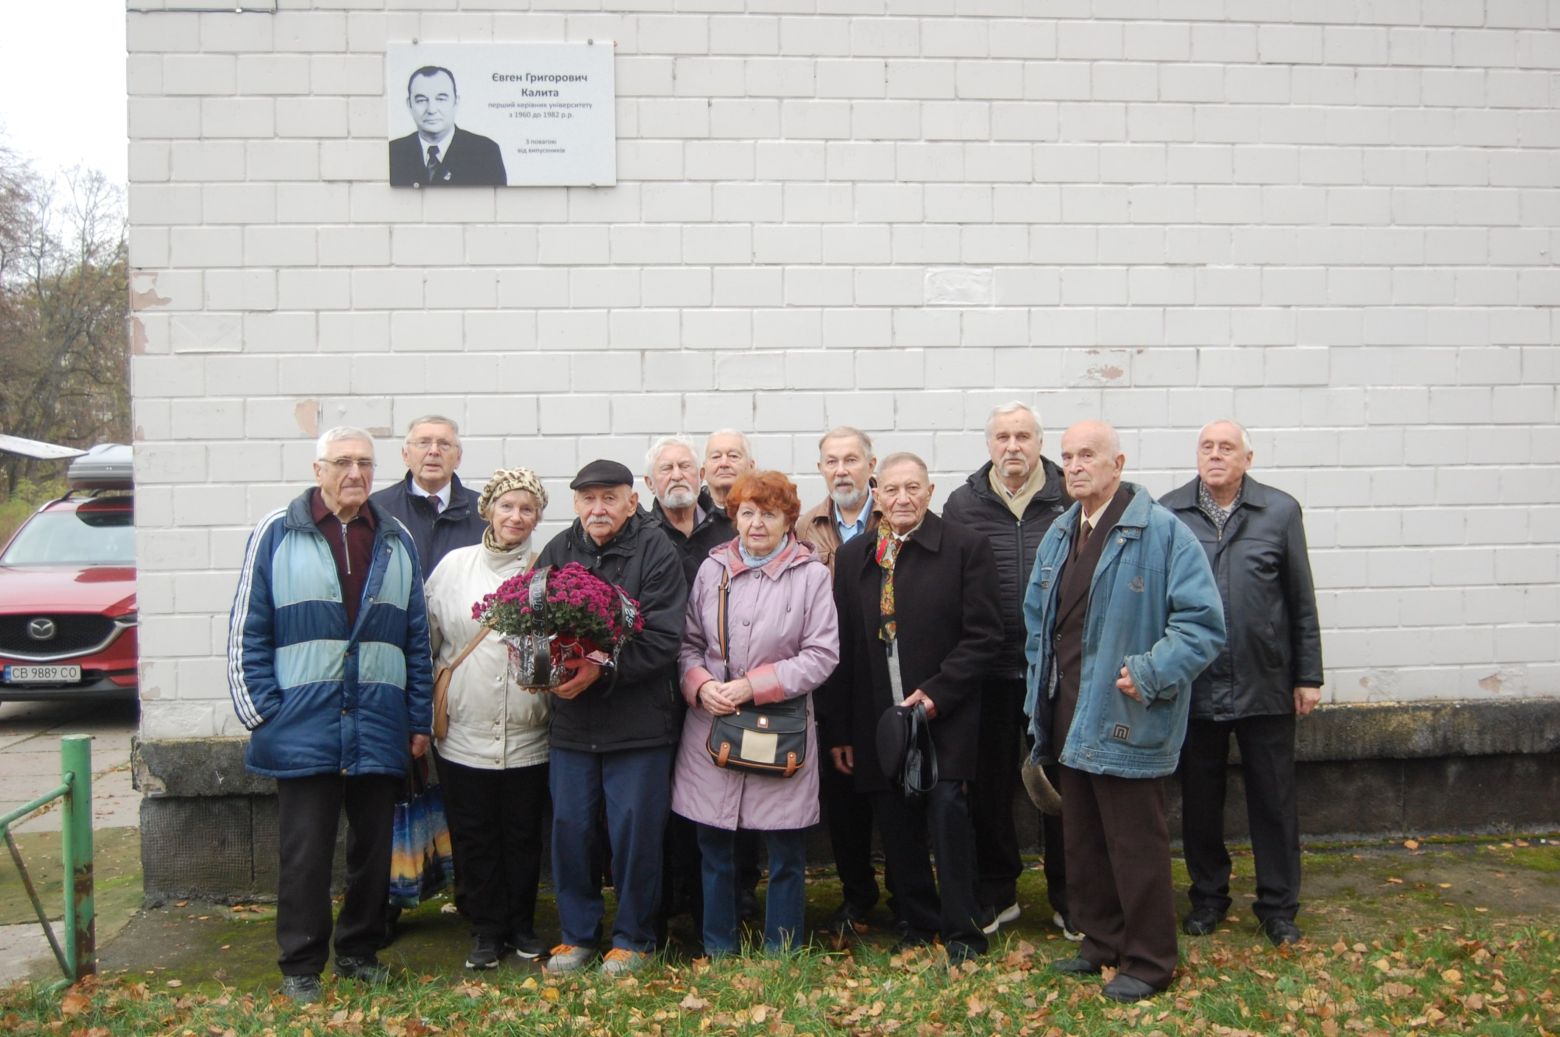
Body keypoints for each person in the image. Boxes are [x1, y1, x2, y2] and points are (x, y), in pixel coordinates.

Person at [226, 426, 432, 1004]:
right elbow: (249, 627)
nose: (355, 474)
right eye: (342, 462)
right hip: (303, 726)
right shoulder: (278, 532)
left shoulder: (396, 539)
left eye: (365, 463)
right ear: (318, 469)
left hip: (378, 725)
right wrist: (265, 712)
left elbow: (416, 638)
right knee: (305, 854)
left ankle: (360, 951)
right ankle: (301, 965)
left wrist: (418, 720)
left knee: (373, 852)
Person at [1022, 421, 1225, 1003]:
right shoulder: (1063, 532)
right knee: (1083, 836)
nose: (1076, 465)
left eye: (1088, 455)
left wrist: (1151, 672)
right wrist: (1038, 692)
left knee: (1134, 840)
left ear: (1119, 463)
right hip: (1068, 709)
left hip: (1126, 707)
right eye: (1067, 457)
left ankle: (1151, 959)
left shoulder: (1163, 534)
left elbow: (1202, 626)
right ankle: (1102, 941)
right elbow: (1038, 622)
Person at [819, 452, 1003, 964]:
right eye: (892, 490)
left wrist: (938, 693)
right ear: (876, 494)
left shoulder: (965, 547)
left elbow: (985, 636)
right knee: (895, 823)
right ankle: (918, 924)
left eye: (913, 489)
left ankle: (963, 931)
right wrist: (841, 730)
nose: (902, 499)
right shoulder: (856, 556)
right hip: (878, 717)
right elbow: (845, 649)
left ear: (930, 490)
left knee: (947, 813)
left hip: (946, 712)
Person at [1161, 420, 1324, 947]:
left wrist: (1308, 676)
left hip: (1267, 683)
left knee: (1273, 802)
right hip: (1196, 684)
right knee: (1200, 801)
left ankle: (1278, 907)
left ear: (1247, 459)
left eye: (1226, 447)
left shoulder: (1280, 511)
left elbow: (1300, 599)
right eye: (1205, 446)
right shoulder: (1170, 512)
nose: (1214, 455)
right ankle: (1208, 898)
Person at [672, 472, 839, 955]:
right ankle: (718, 947)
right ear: (735, 517)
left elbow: (822, 654)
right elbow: (689, 645)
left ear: (789, 519)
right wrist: (701, 687)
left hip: (779, 727)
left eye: (769, 513)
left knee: (785, 852)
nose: (757, 522)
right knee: (714, 848)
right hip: (712, 726)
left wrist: (752, 686)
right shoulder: (712, 570)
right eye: (747, 512)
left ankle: (781, 950)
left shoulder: (810, 576)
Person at [536, 459, 688, 976]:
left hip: (639, 726)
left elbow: (666, 639)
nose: (598, 508)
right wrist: (544, 666)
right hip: (573, 726)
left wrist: (601, 670)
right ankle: (577, 935)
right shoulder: (558, 551)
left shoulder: (656, 551)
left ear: (631, 501)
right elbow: (535, 625)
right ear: (575, 504)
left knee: (634, 835)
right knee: (570, 830)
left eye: (609, 498)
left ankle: (635, 938)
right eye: (588, 499)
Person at [941, 402, 1074, 938]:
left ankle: (1071, 896)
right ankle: (999, 892)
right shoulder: (962, 503)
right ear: (989, 444)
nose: (1012, 446)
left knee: (1063, 787)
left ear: (1039, 442)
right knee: (991, 788)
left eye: (1022, 436)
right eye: (1002, 436)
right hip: (990, 671)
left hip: (1059, 672)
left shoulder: (1069, 497)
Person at [424, 467, 552, 969]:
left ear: (537, 516)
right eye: (507, 506)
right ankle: (484, 928)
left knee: (522, 835)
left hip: (529, 733)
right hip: (463, 732)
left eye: (526, 509)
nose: (515, 517)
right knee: (474, 832)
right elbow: (431, 642)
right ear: (489, 510)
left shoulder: (548, 568)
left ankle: (521, 923)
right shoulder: (454, 568)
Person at [793, 426, 886, 933]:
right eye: (832, 461)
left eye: (852, 460)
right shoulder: (807, 528)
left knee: (896, 787)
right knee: (844, 790)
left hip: (889, 670)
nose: (842, 470)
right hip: (831, 675)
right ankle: (857, 893)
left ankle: (907, 888)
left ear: (872, 465)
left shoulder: (894, 515)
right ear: (821, 469)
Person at [368, 415, 486, 576]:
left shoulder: (484, 511)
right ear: (405, 455)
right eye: (423, 443)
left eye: (444, 444)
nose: (434, 451)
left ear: (458, 458)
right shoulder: (378, 508)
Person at [388, 66, 508, 187]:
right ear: (409, 105)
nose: (431, 110)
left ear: (456, 102)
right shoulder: (393, 152)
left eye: (441, 99)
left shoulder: (485, 153)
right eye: (421, 100)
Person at [702, 429, 756, 510]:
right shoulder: (690, 511)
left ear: (751, 467)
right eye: (716, 457)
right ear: (703, 472)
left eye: (733, 456)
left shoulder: (766, 508)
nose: (724, 464)